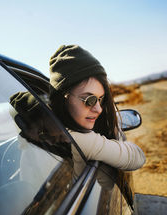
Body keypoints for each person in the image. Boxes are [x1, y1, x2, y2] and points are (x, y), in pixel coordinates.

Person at [48, 44, 146, 179]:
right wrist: (115, 131)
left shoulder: (50, 132)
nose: (99, 109)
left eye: (101, 99)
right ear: (63, 98)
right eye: (89, 100)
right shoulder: (78, 139)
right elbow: (138, 157)